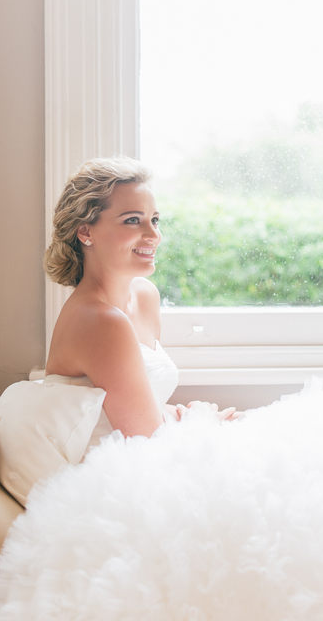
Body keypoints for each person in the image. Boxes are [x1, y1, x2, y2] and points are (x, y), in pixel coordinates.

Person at [43, 157, 237, 438]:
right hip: (115, 466)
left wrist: (188, 413)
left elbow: (138, 407)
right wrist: (203, 422)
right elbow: (148, 440)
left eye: (154, 220)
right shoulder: (99, 321)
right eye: (133, 220)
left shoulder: (145, 295)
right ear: (85, 232)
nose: (154, 235)